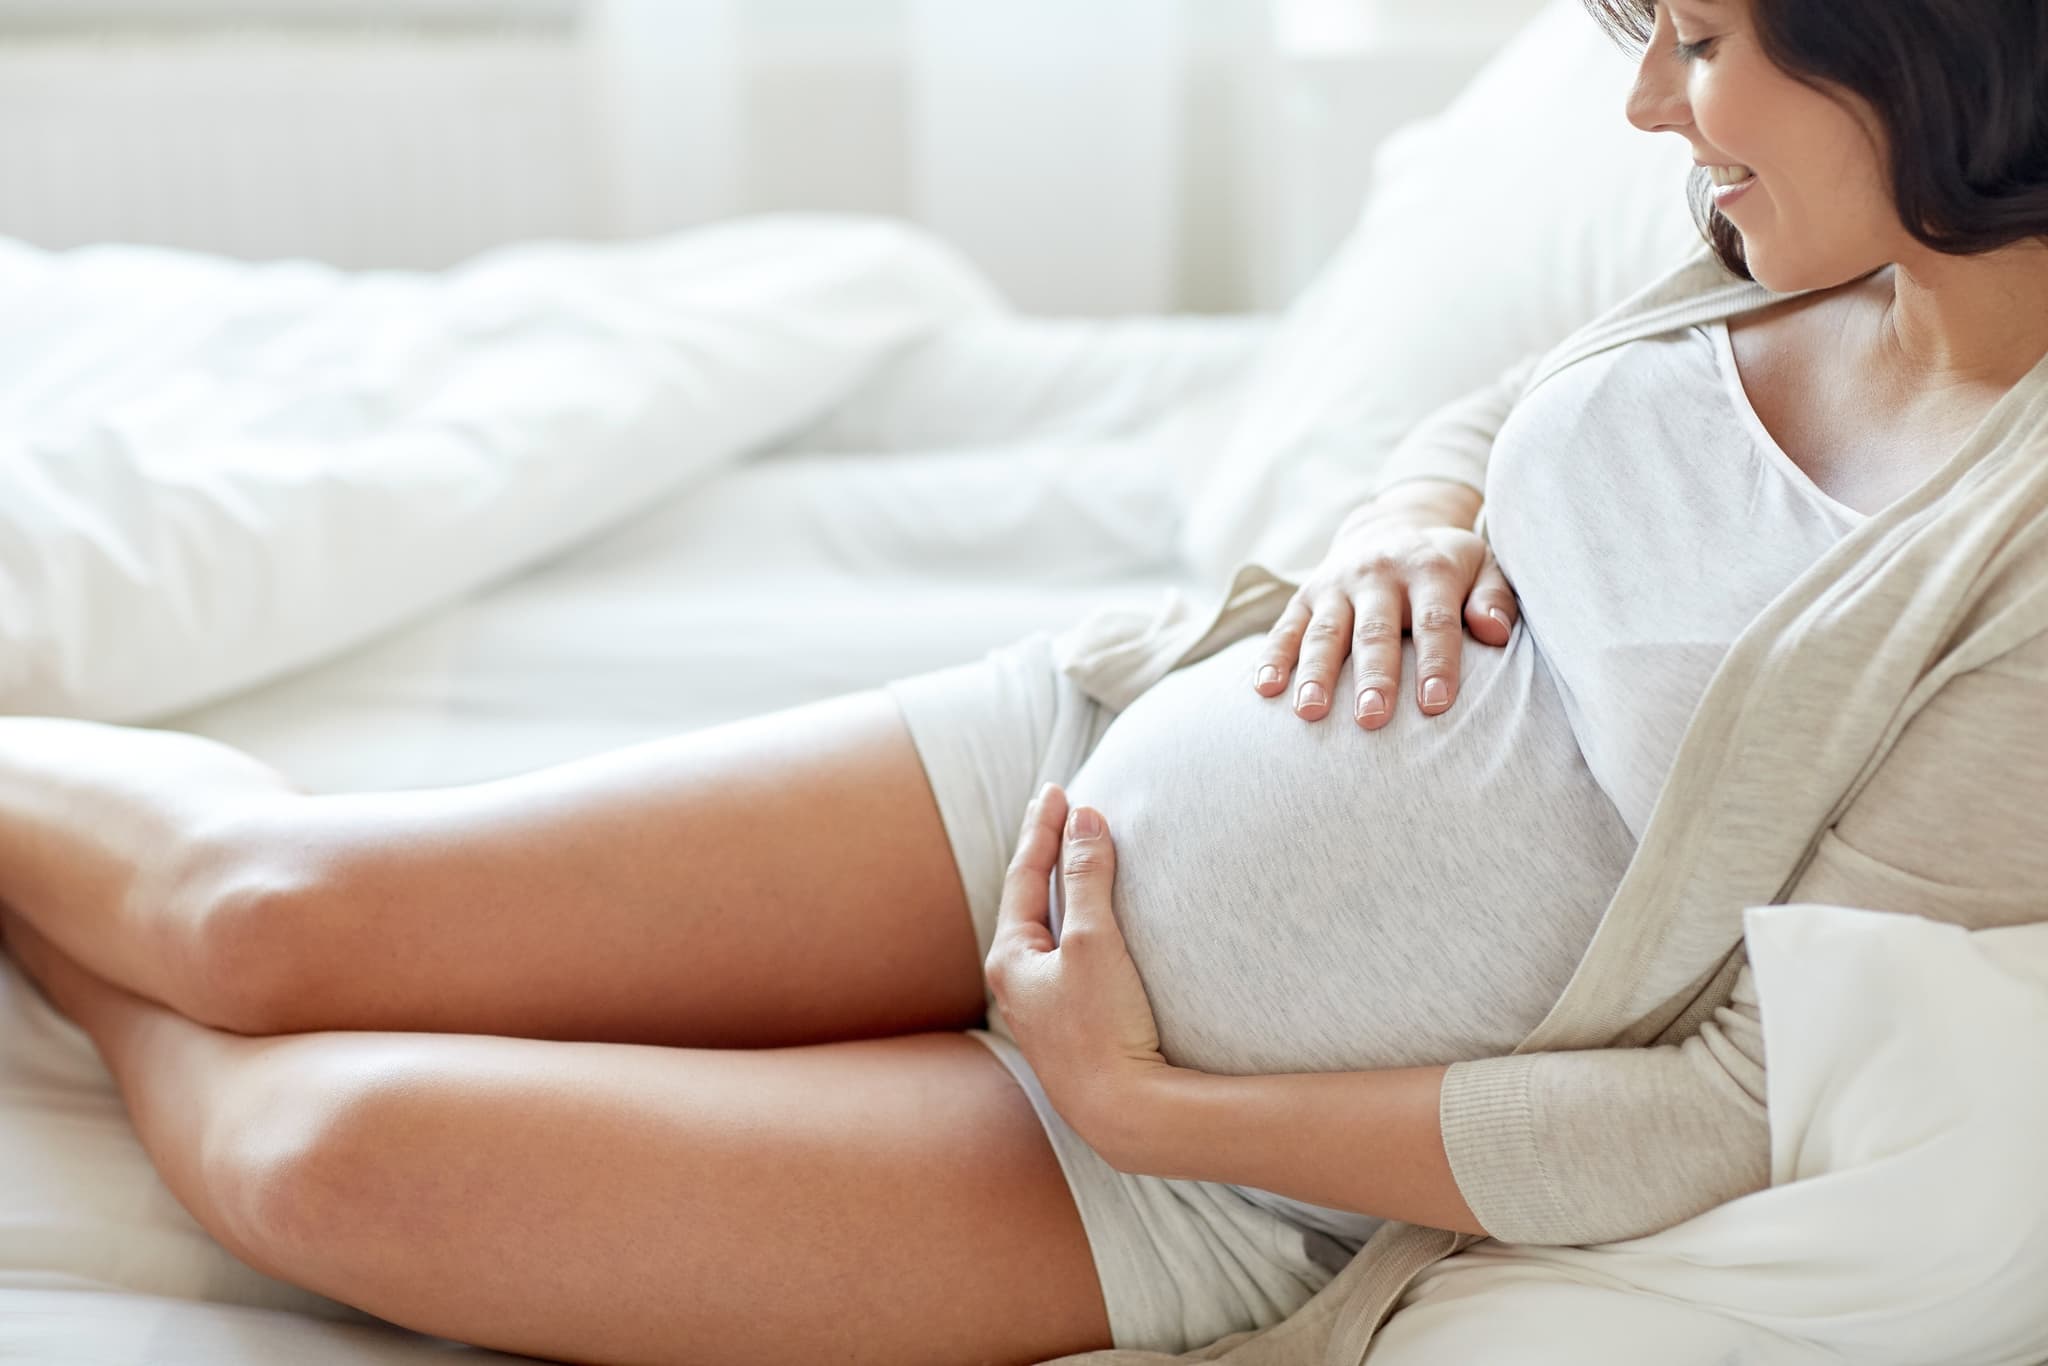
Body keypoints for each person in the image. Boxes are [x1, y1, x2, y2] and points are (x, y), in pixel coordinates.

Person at [3, 0, 2046, 1362]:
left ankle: (46, 942)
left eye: (1696, 40)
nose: (1644, 103)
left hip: (1190, 1148)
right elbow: (1491, 418)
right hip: (1059, 769)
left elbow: (1733, 1102)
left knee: (325, 1157)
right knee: (264, 913)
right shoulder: (1772, 238)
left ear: (1933, 56)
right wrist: (1395, 529)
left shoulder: (2021, 565)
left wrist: (1136, 1095)